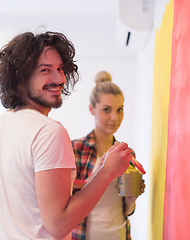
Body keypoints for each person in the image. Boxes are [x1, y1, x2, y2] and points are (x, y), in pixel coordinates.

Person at [0, 31, 132, 240]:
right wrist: (106, 172)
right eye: (45, 70)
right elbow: (58, 225)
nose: (58, 78)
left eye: (60, 69)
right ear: (20, 77)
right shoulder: (49, 132)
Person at [71, 71, 144, 240]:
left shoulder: (127, 153)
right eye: (106, 110)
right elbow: (66, 204)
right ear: (91, 109)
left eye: (120, 110)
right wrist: (97, 174)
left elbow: (126, 210)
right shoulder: (75, 149)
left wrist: (131, 200)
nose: (115, 117)